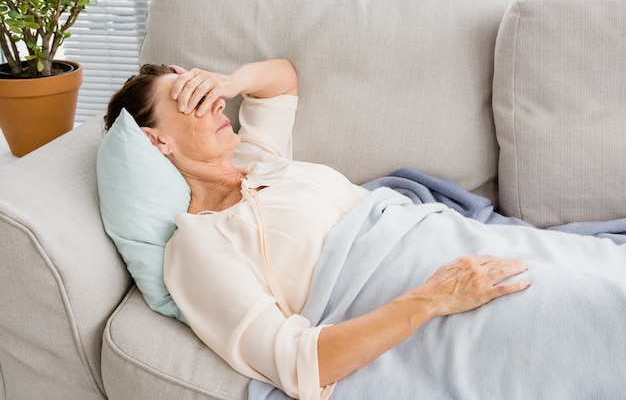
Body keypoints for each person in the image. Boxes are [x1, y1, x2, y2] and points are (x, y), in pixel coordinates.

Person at [105, 59, 530, 400]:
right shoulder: (197, 244)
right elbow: (299, 364)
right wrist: (432, 298)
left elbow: (280, 79)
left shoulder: (257, 161)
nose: (216, 104)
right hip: (434, 294)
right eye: (192, 101)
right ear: (158, 142)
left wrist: (227, 81)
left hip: (453, 239)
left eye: (208, 93)